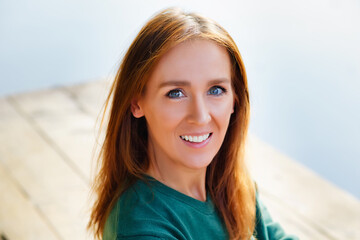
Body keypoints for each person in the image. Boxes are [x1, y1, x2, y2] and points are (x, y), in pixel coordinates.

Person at [88, 7, 299, 240]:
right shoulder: (139, 229)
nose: (200, 116)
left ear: (235, 101)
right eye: (176, 93)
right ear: (137, 102)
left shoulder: (231, 183)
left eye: (216, 90)